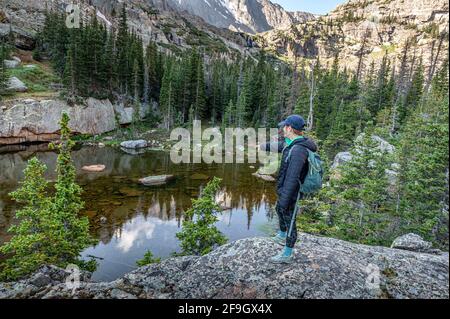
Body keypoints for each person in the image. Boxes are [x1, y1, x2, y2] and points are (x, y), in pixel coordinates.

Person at [261, 115, 318, 263]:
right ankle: (281, 234)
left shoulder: (299, 150)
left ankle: (287, 253)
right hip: (286, 190)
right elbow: (279, 146)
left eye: (284, 127)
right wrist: (262, 146)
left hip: (292, 191)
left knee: (289, 218)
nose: (282, 129)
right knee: (279, 209)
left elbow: (292, 178)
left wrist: (285, 199)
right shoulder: (292, 144)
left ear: (290, 128)